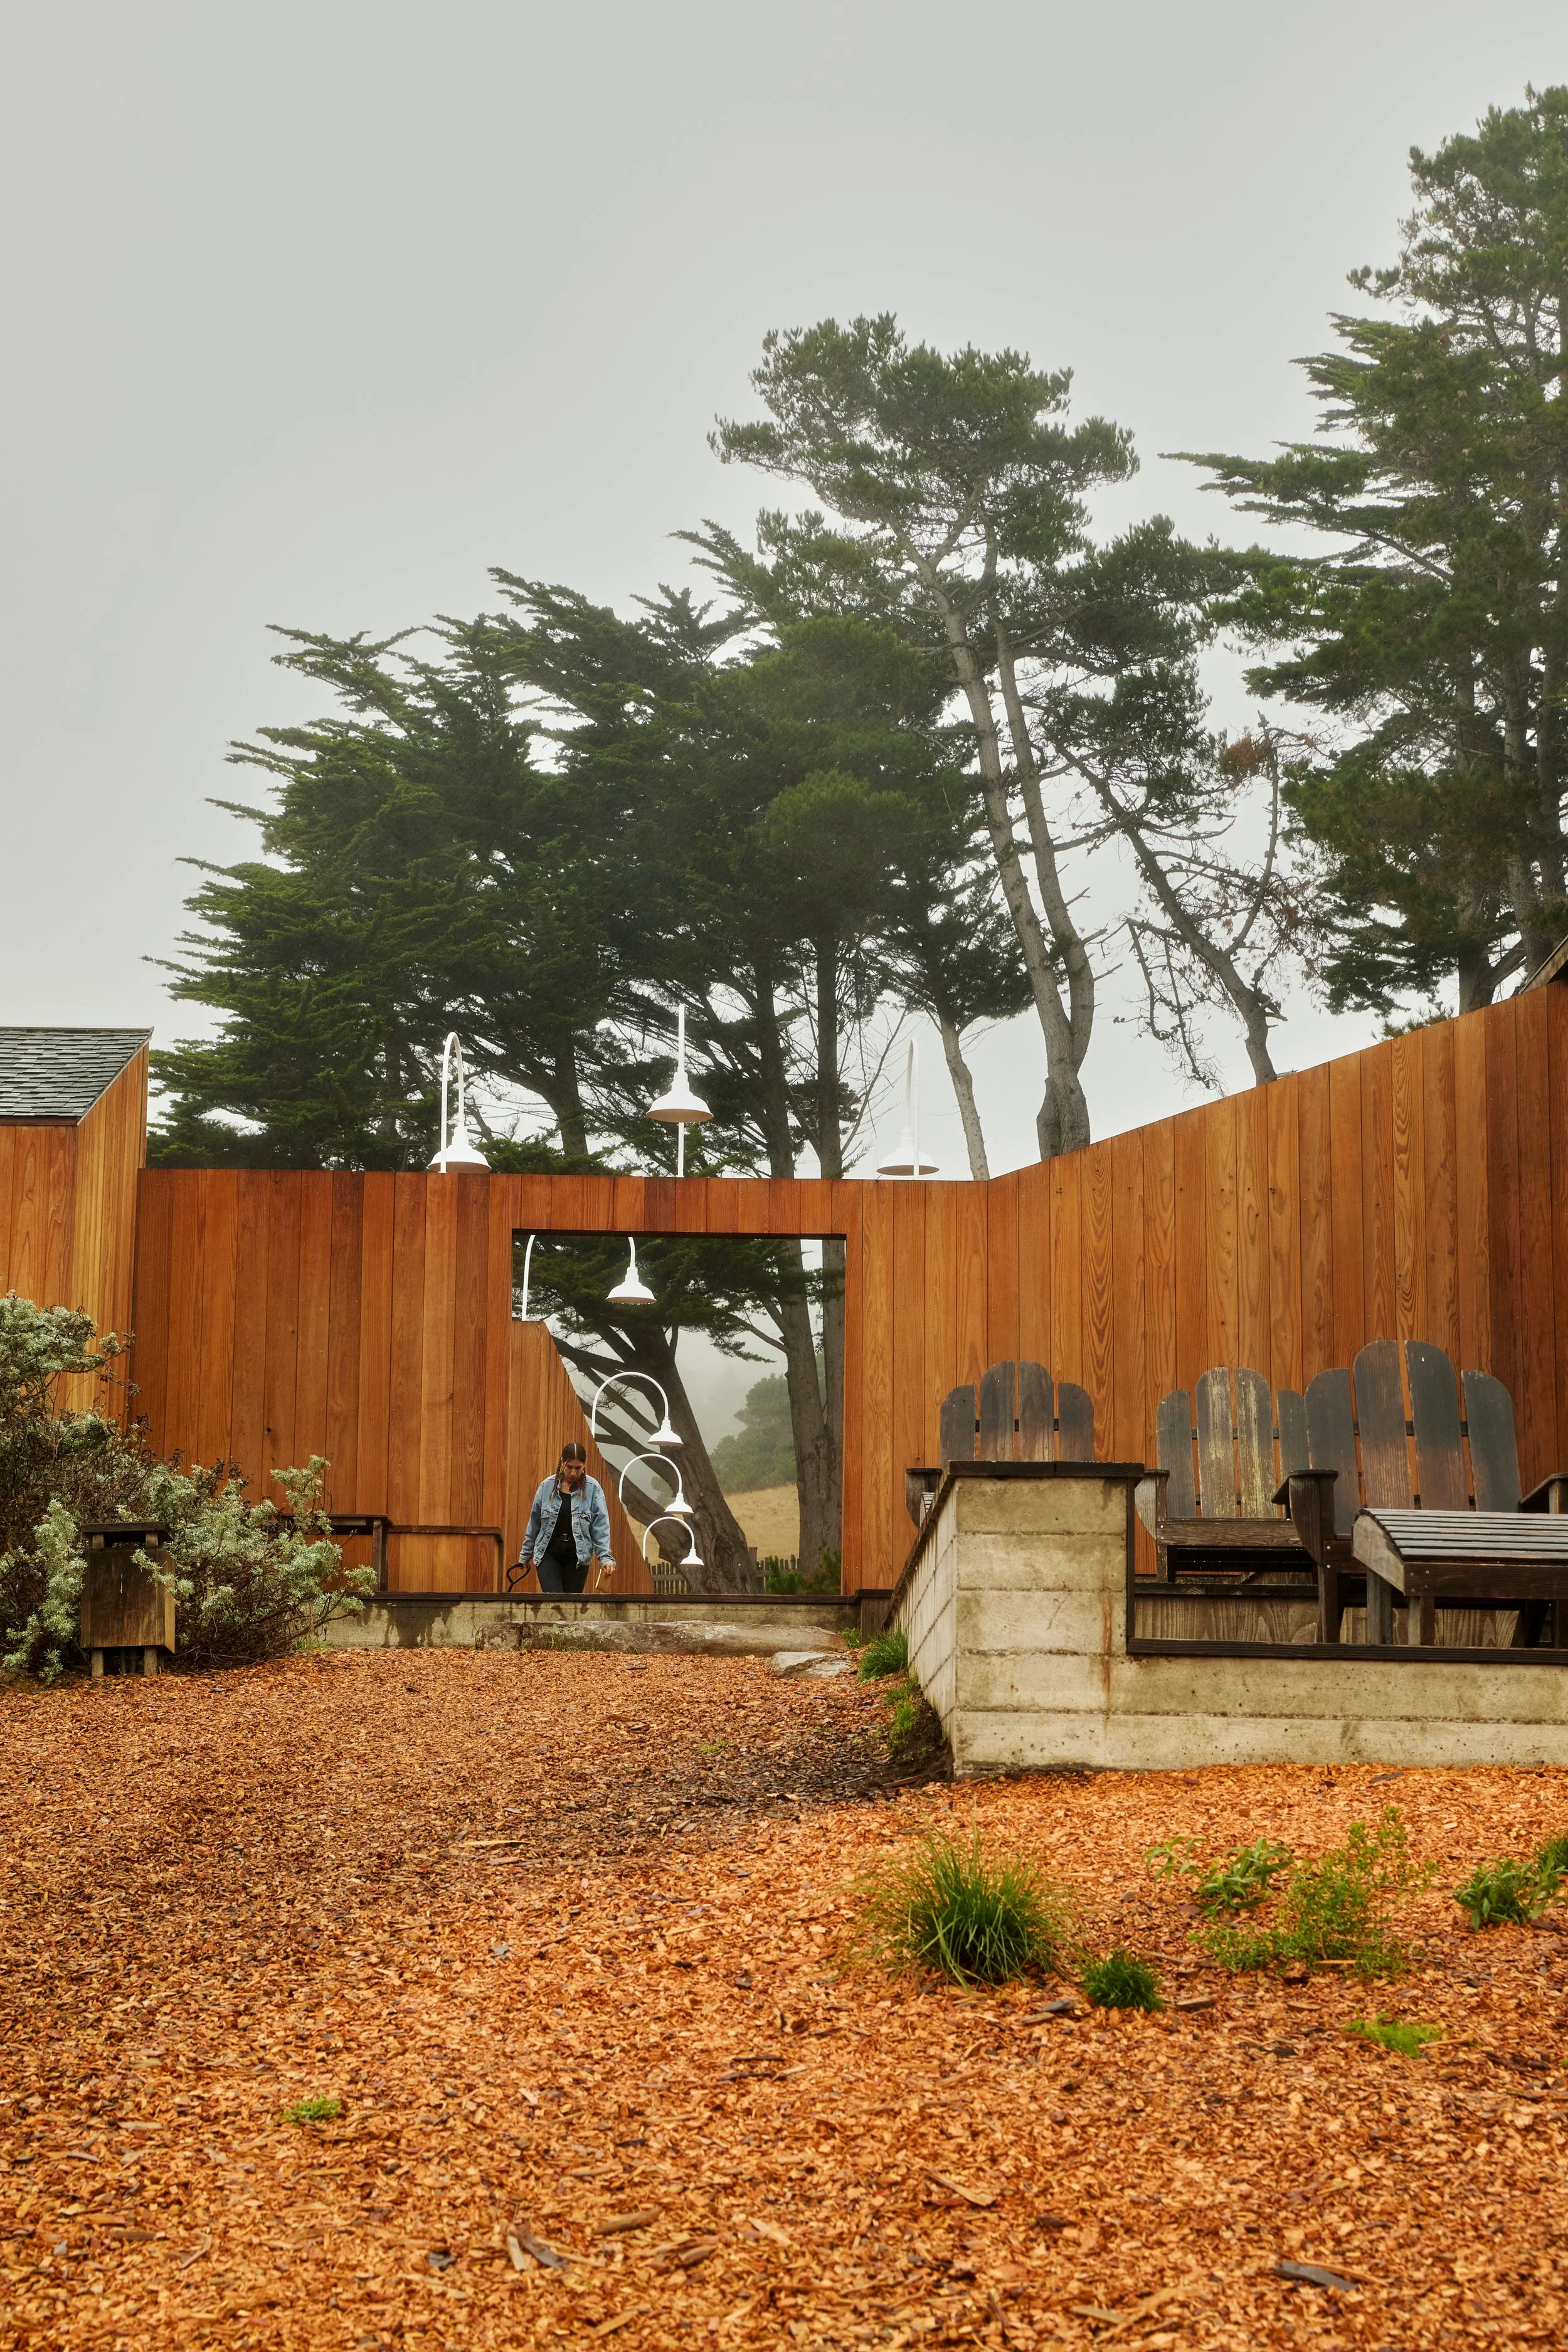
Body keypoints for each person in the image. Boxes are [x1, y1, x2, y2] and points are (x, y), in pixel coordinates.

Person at [521, 1443, 615, 1594]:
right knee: (554, 1598)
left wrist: (605, 1559)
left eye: (578, 1468)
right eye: (569, 1467)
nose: (573, 1472)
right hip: (549, 1552)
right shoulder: (546, 1487)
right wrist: (525, 1557)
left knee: (572, 1604)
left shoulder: (593, 1489)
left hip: (577, 1556)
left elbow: (600, 1528)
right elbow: (534, 1524)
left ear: (584, 1466)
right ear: (562, 1462)